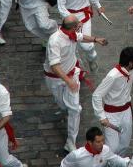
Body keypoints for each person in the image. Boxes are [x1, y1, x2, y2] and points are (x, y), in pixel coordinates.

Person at [44, 16, 108, 154]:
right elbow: (54, 66)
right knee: (62, 104)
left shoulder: (71, 33)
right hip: (55, 79)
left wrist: (96, 39)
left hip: (72, 76)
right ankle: (67, 109)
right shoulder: (55, 41)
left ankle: (70, 142)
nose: (80, 24)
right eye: (78, 24)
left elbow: (80, 37)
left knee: (74, 109)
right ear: (72, 27)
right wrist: (68, 81)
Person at [92, 47, 133, 156]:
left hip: (126, 112)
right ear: (131, 63)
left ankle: (119, 161)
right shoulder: (112, 76)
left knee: (125, 144)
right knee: (112, 147)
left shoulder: (132, 70)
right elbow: (97, 95)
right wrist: (102, 116)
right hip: (112, 115)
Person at [56, 0, 105, 72]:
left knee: (87, 45)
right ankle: (78, 68)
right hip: (71, 17)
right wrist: (72, 20)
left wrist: (98, 5)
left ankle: (92, 59)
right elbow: (61, 6)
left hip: (84, 16)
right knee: (71, 47)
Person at [60, 126, 130, 167]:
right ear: (90, 142)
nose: (102, 144)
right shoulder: (76, 155)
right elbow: (63, 165)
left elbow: (117, 160)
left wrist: (131, 163)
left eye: (102, 140)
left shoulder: (106, 149)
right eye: (98, 142)